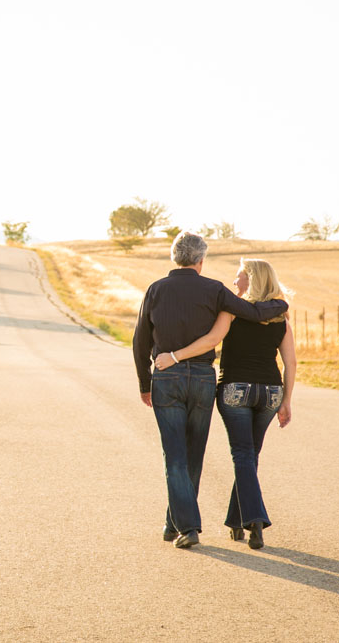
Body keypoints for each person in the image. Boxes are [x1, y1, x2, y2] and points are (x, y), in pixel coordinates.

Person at [133, 234, 288, 549]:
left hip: (167, 377)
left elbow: (140, 341)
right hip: (203, 379)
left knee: (174, 455)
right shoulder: (215, 290)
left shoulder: (156, 290)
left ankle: (187, 528)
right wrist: (283, 303)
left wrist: (145, 384)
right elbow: (257, 313)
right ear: (200, 260)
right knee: (192, 455)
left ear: (174, 258)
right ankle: (172, 523)